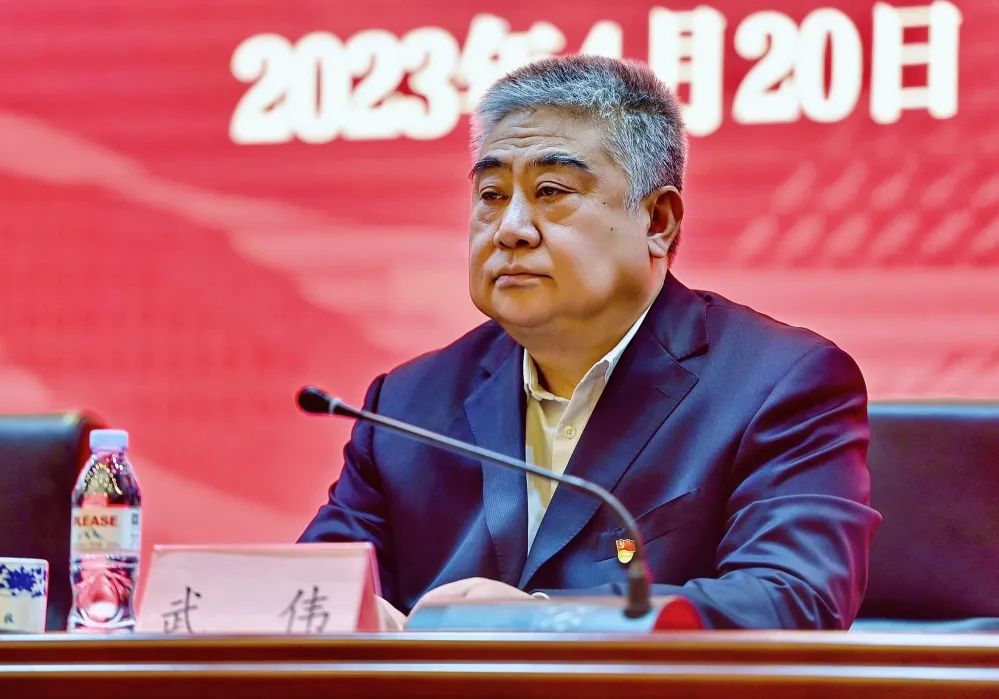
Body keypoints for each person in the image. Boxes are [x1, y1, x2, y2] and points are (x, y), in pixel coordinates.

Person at [299, 55, 881, 630]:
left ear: (658, 221)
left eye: (551, 191)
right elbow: (306, 593)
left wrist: (540, 622)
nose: (510, 229)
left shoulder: (778, 384)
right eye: (492, 194)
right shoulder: (406, 405)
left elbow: (790, 598)